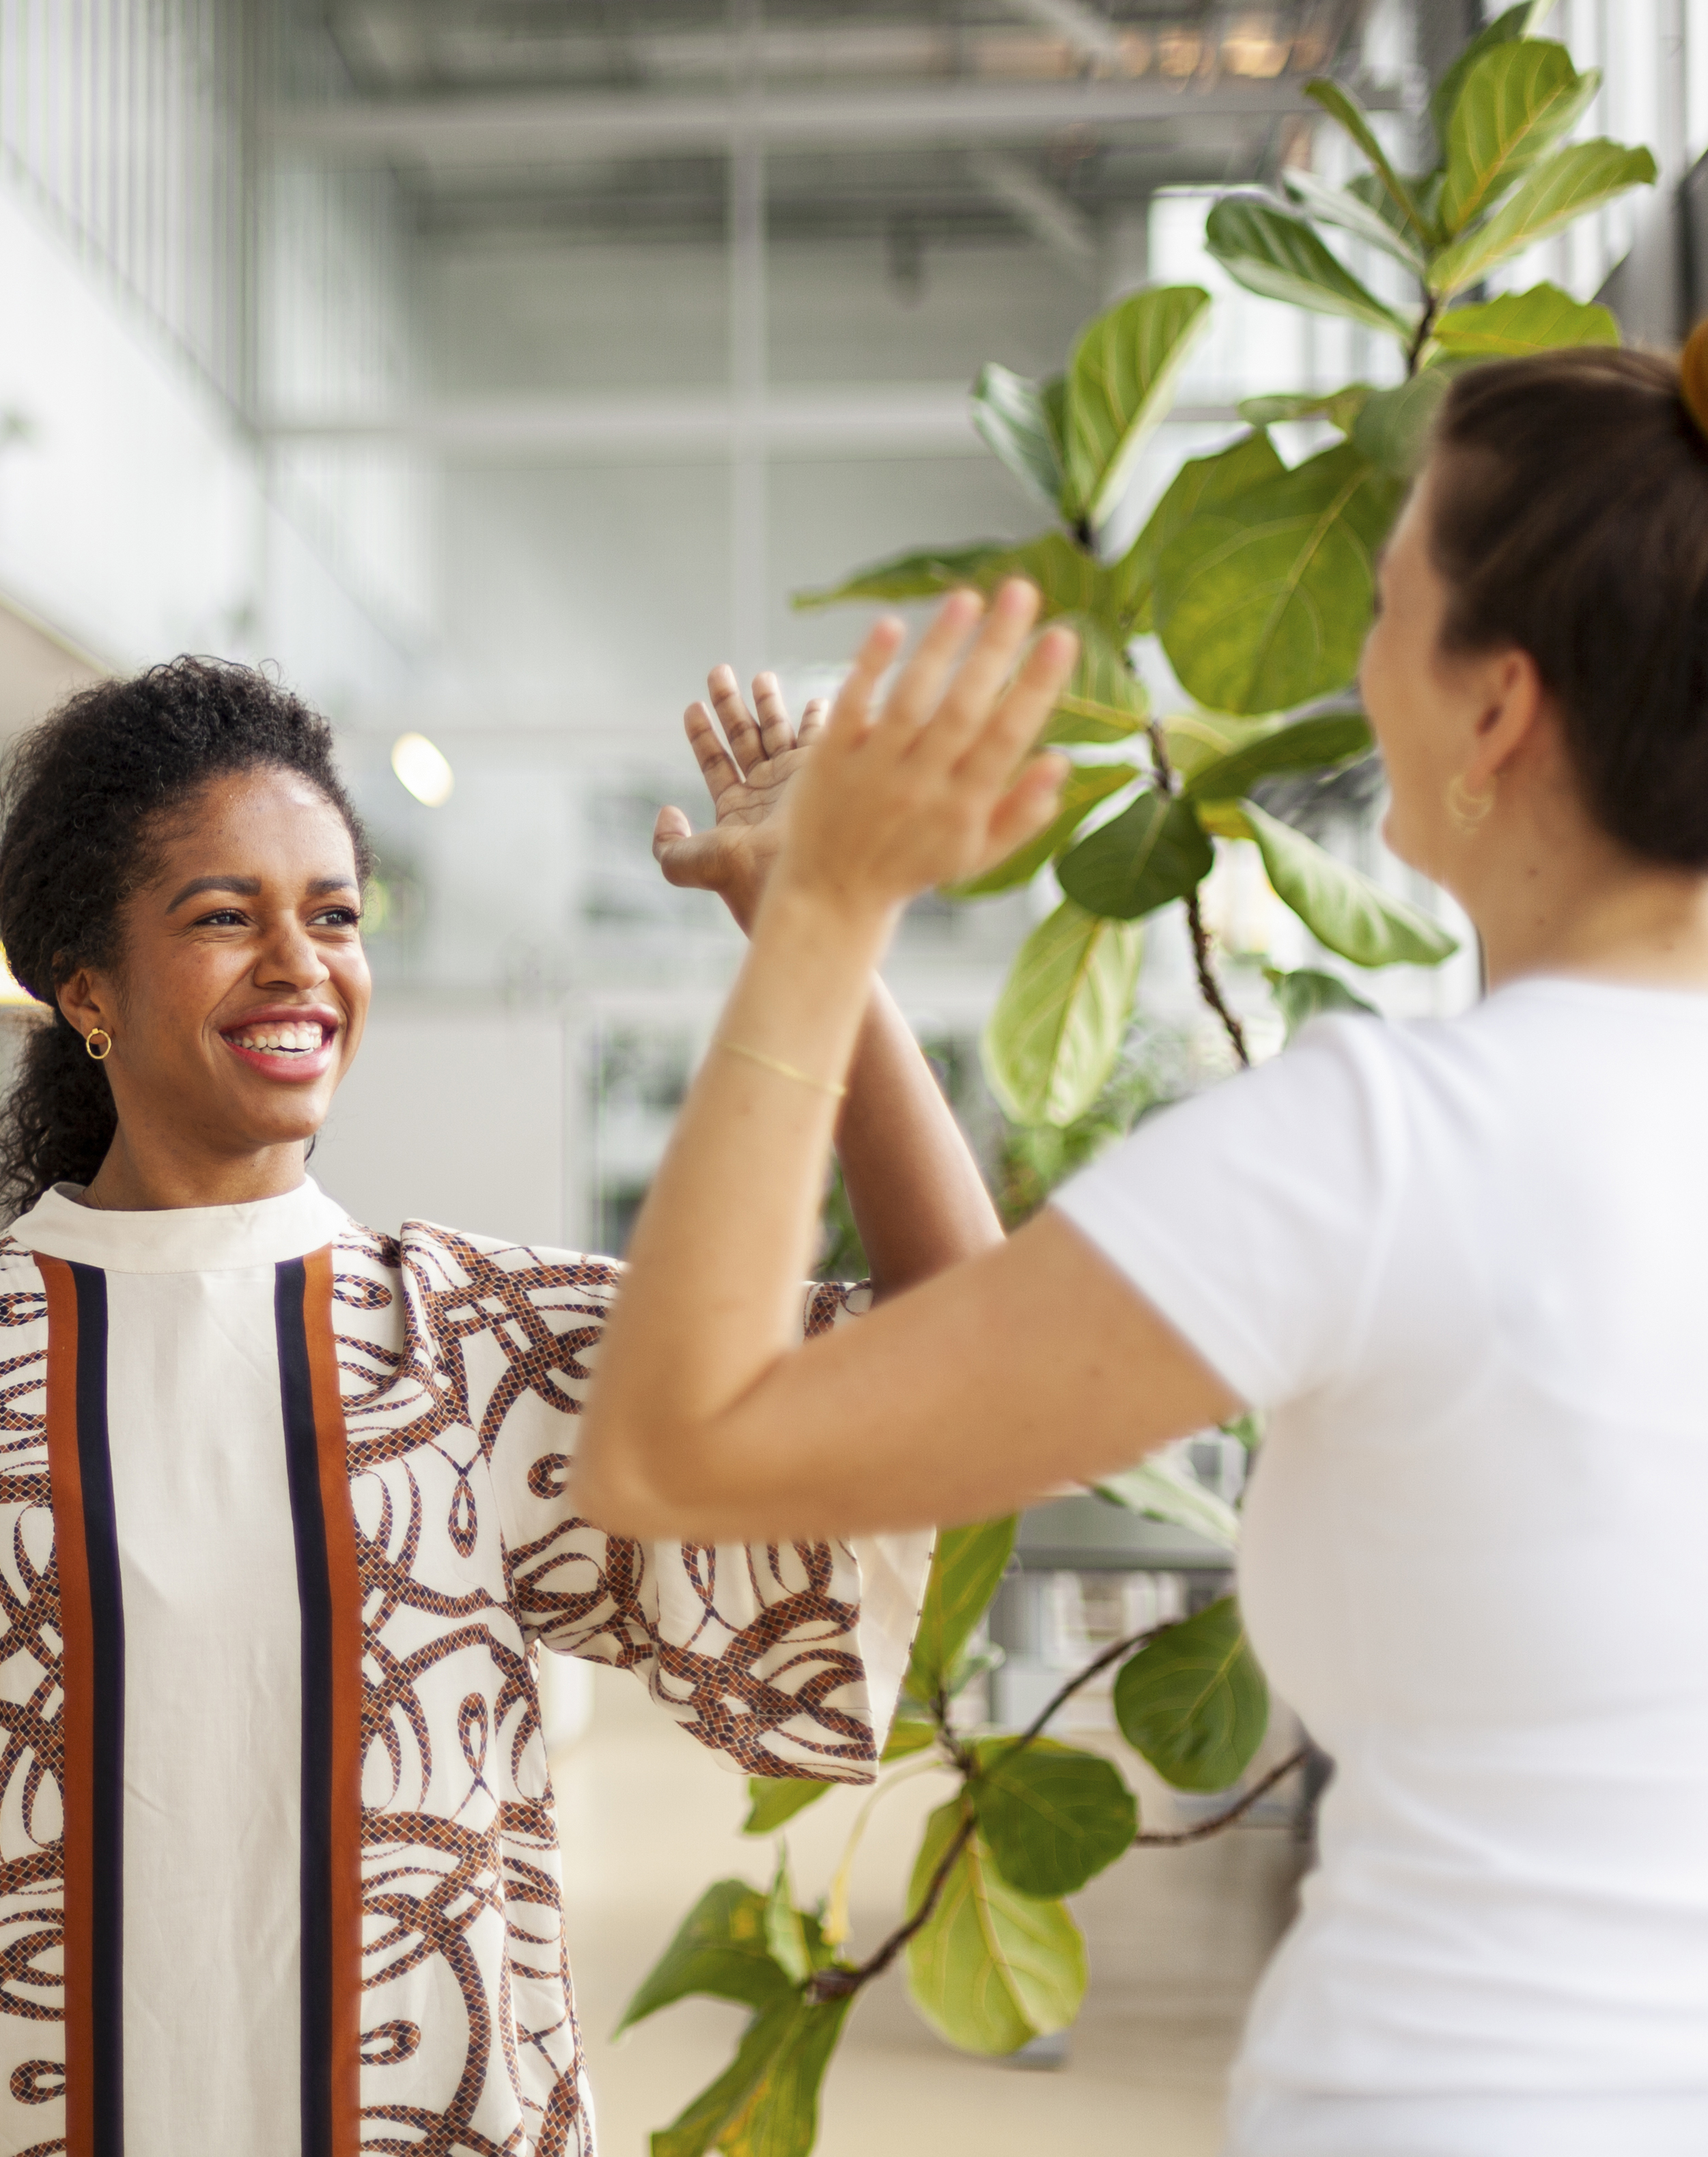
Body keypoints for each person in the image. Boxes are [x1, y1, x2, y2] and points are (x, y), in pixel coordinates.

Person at [574, 339, 1708, 2157]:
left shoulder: (1391, 1145)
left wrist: (832, 913)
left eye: (1389, 606)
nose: (1352, 665)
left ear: (1498, 710)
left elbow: (671, 1449)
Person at [0, 655, 1005, 2156]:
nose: (301, 960)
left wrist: (818, 925)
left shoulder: (472, 1344)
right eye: (227, 915)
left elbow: (959, 1348)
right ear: (85, 987)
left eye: (336, 914)